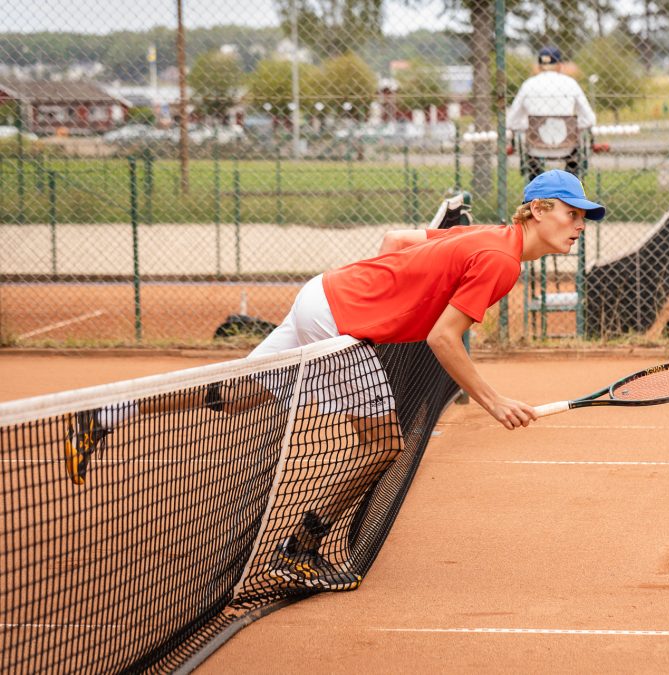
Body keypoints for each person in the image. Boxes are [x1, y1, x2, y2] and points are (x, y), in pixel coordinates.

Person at [63, 169, 606, 591]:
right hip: (339, 321)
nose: (581, 224)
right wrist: (494, 401)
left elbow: (395, 240)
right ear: (538, 209)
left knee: (237, 395)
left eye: (586, 216)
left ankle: (105, 413)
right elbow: (443, 339)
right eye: (573, 212)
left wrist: (384, 288)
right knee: (383, 446)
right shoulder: (500, 261)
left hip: (323, 293)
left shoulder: (489, 237)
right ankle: (297, 550)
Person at [507, 45, 597, 182]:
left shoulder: (528, 85)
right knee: (576, 153)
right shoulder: (570, 83)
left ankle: (536, 190)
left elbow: (511, 121)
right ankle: (570, 188)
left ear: (538, 66)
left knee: (530, 154)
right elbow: (589, 119)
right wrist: (573, 126)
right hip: (567, 148)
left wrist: (528, 126)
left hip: (535, 149)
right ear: (560, 65)